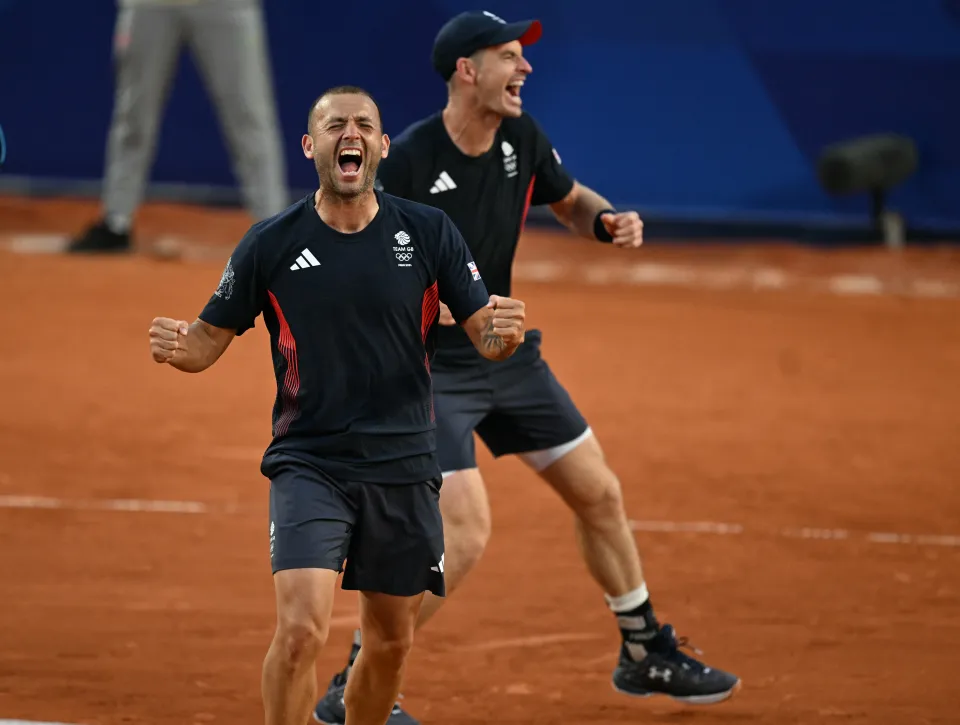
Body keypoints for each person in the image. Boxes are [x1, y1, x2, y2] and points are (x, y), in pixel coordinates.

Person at [312, 12, 740, 725]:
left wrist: (606, 223)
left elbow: (570, 201)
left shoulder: (520, 140)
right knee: (466, 529)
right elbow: (357, 256)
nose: (526, 68)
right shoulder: (411, 159)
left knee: (598, 490)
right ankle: (356, 680)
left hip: (504, 354)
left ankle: (642, 648)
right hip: (425, 369)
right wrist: (434, 306)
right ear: (465, 71)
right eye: (508, 56)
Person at [148, 85, 527, 725]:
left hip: (405, 463)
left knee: (390, 642)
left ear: (381, 145)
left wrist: (503, 335)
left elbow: (482, 334)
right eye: (333, 125)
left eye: (363, 125)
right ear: (311, 145)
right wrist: (178, 345)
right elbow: (208, 341)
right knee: (300, 632)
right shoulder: (270, 244)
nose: (348, 134)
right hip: (311, 461)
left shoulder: (429, 233)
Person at [70, 0, 289, 254]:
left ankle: (274, 229)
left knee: (250, 116)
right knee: (133, 117)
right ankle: (116, 222)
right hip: (148, 5)